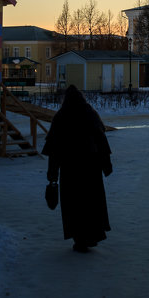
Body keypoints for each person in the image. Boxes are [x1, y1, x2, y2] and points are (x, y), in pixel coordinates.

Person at [42, 85, 113, 253]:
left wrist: (52, 175)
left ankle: (79, 238)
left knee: (73, 205)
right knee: (91, 202)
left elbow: (54, 149)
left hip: (70, 168)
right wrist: (106, 164)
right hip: (91, 166)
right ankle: (92, 235)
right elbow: (101, 140)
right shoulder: (90, 113)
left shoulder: (61, 116)